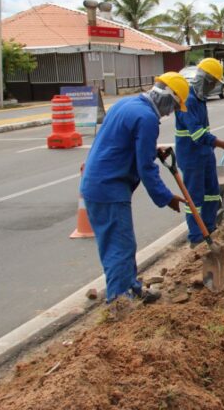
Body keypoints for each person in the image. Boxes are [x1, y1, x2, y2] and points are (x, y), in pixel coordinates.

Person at [81, 72, 189, 305]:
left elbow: (123, 142)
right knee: (119, 247)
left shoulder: (127, 103)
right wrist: (166, 197)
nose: (171, 113)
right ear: (167, 98)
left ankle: (131, 287)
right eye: (173, 107)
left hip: (100, 182)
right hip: (108, 187)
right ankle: (120, 303)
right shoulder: (147, 118)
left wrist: (151, 148)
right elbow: (145, 167)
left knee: (124, 243)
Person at [175, 58, 224, 248]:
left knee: (212, 193)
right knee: (195, 198)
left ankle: (210, 228)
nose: (213, 86)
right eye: (212, 82)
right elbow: (197, 133)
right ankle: (197, 237)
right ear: (204, 79)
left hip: (204, 154)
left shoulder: (199, 98)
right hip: (191, 157)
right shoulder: (187, 100)